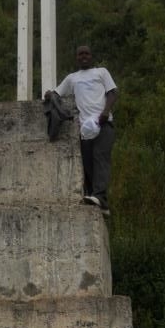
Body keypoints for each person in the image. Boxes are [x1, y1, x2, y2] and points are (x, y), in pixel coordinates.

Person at [44, 45, 118, 215]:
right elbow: (57, 93)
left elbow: (113, 93)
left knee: (100, 157)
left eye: (86, 54)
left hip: (103, 124)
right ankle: (97, 201)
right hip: (86, 129)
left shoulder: (101, 72)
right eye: (80, 54)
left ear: (92, 56)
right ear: (76, 58)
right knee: (87, 163)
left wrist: (105, 112)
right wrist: (49, 94)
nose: (83, 56)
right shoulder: (72, 78)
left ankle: (100, 196)